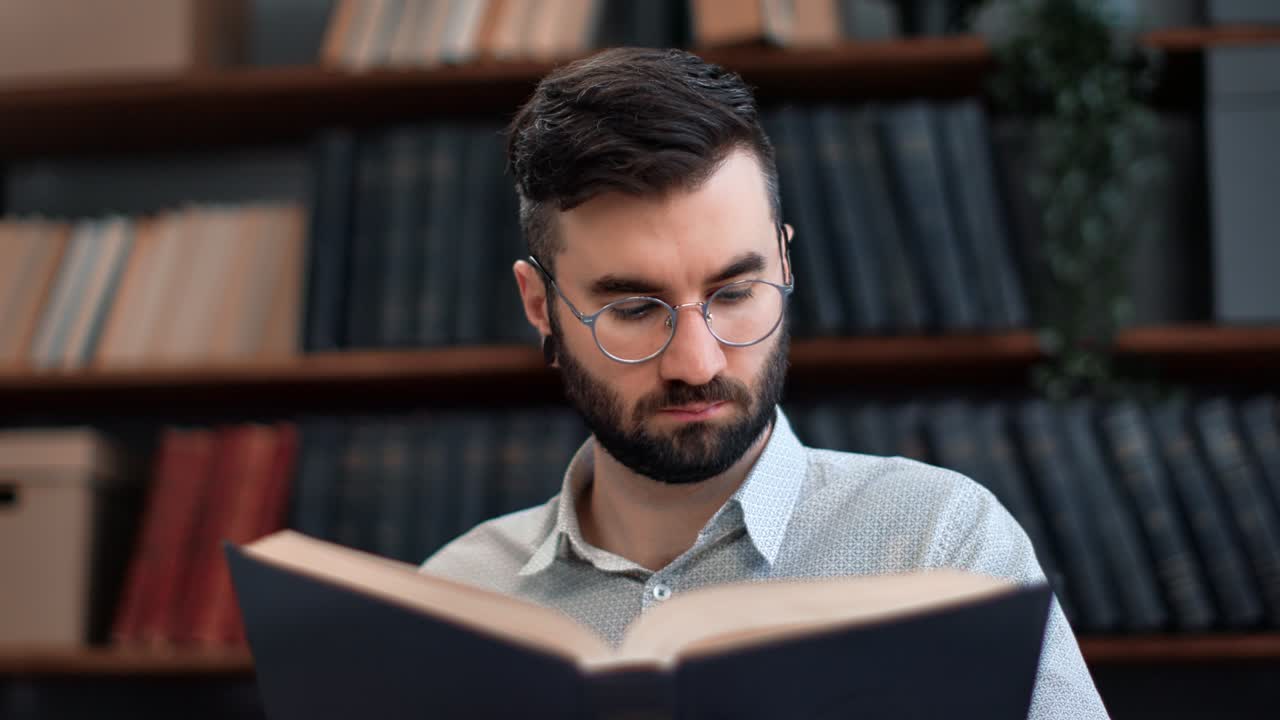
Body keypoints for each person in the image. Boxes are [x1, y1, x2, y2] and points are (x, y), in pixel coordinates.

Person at [421, 47, 1109, 719]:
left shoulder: (942, 545)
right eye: (633, 310)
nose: (698, 363)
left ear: (784, 263)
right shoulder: (454, 600)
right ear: (540, 305)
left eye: (734, 292)